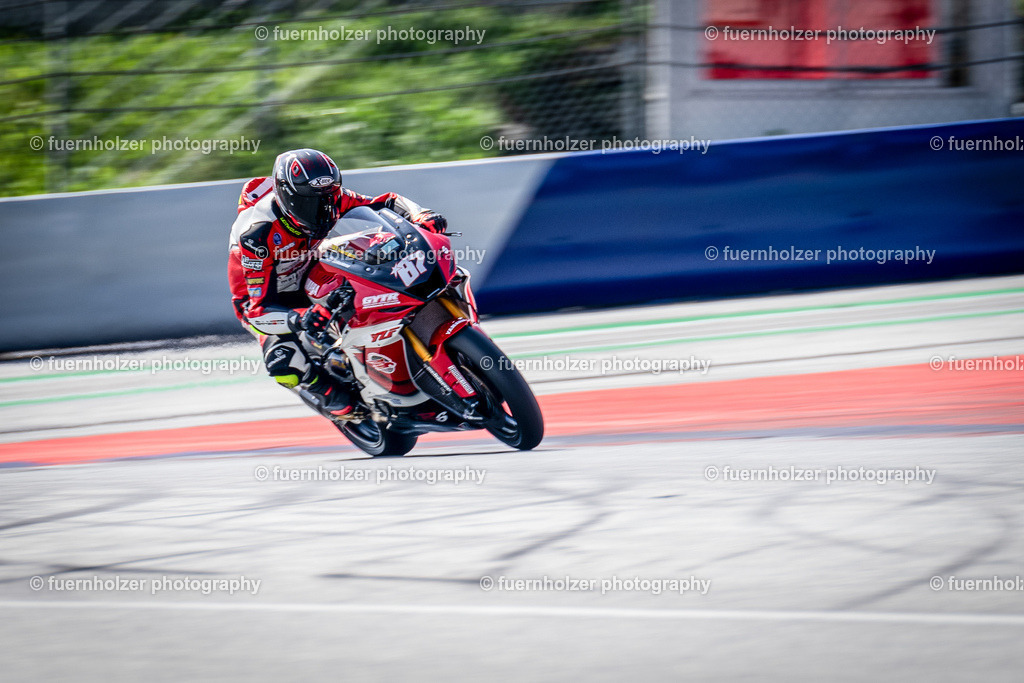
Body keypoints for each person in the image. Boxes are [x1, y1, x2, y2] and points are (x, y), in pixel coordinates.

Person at [227, 148, 447, 420]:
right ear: (286, 197)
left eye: (329, 198)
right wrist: (299, 320)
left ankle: (386, 350)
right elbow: (257, 308)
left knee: (370, 278)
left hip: (312, 268)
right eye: (310, 202)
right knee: (284, 364)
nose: (323, 210)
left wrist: (422, 216)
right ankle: (342, 406)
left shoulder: (335, 198)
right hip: (271, 300)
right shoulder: (257, 235)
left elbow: (385, 203)